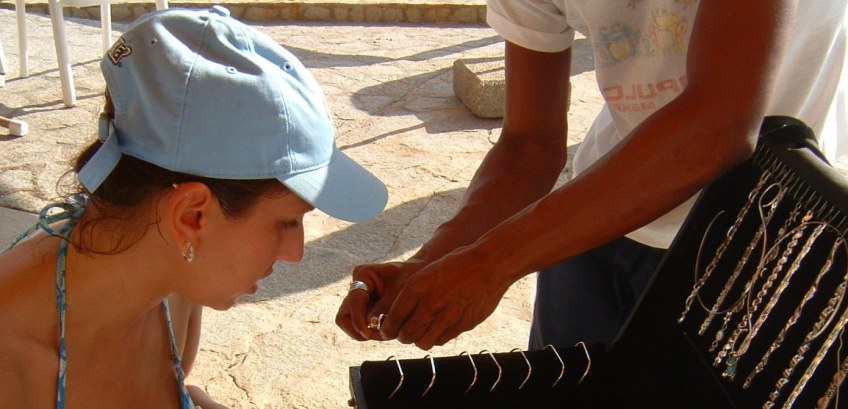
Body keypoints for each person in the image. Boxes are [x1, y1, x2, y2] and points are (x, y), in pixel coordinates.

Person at [337, 0, 847, 352]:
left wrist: (490, 263)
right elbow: (529, 145)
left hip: (757, 237)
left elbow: (718, 124)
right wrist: (434, 261)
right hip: (595, 220)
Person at [0, 6, 387, 408]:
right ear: (191, 216)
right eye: (288, 221)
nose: (296, 252)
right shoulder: (10, 361)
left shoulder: (173, 281)